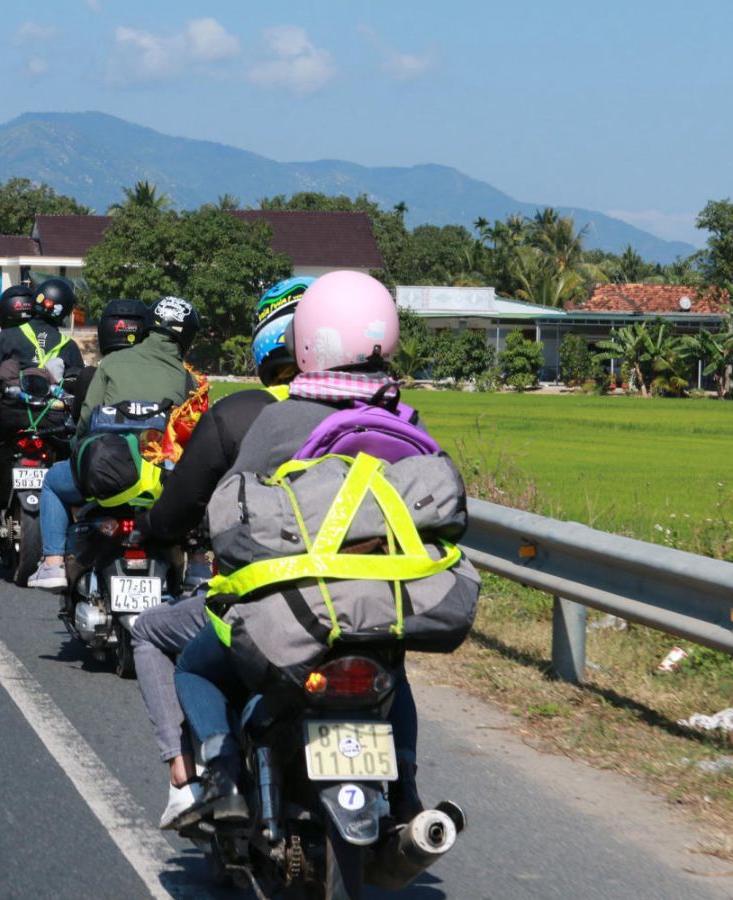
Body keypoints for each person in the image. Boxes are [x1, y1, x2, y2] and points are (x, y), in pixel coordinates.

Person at [171, 271, 464, 829]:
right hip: (382, 601)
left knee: (195, 668)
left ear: (306, 341)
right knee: (392, 671)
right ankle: (405, 793)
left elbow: (234, 510)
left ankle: (226, 776)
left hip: (298, 608)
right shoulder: (406, 420)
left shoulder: (280, 417)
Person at [127, 277, 309, 827]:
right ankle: (407, 785)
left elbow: (181, 503)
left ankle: (190, 776)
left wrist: (155, 530)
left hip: (262, 601)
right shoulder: (373, 414)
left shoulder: (236, 414)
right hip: (363, 600)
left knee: (152, 634)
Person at [25, 294, 201, 590]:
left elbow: (85, 420)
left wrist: (79, 452)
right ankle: (198, 562)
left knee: (52, 482)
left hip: (107, 471)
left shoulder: (112, 362)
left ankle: (53, 563)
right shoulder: (187, 379)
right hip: (161, 481)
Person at [0, 279, 85, 548]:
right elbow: (78, 389)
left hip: (7, 420)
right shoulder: (68, 346)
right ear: (66, 312)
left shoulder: (7, 337)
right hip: (53, 425)